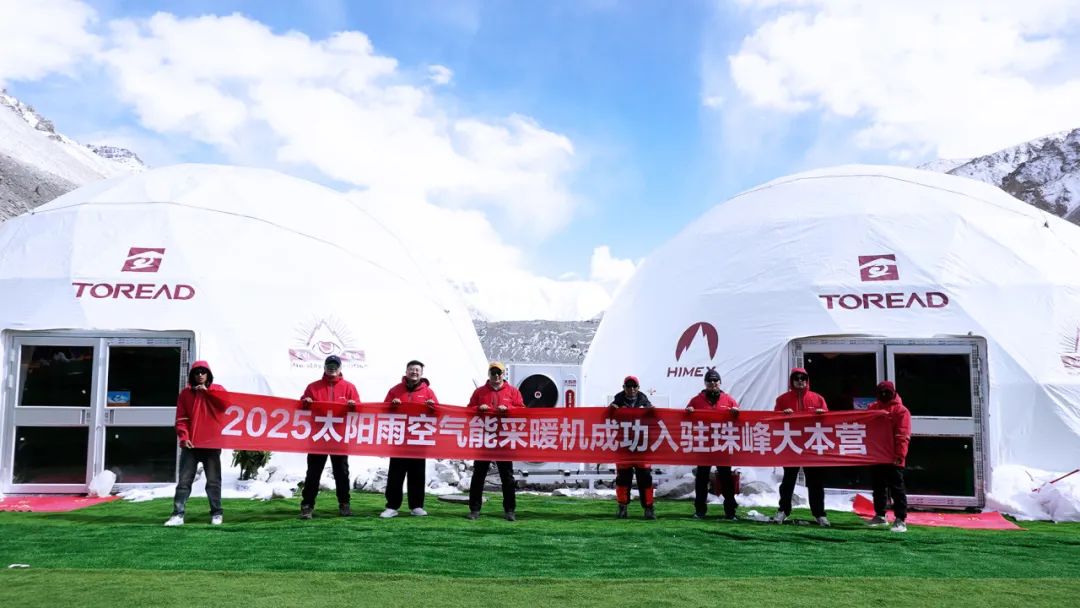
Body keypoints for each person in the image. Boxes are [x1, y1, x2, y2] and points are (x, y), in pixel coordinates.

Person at [165, 360, 228, 526]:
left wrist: (208, 393)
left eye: (203, 371)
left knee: (214, 481)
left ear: (208, 374)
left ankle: (216, 513)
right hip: (190, 446)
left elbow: (226, 407)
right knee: (184, 482)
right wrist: (184, 438)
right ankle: (178, 514)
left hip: (211, 444)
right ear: (192, 375)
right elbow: (181, 419)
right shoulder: (185, 394)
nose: (200, 374)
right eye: (197, 372)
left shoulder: (218, 390)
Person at [298, 355, 359, 520]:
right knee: (313, 473)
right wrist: (306, 400)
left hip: (339, 437)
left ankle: (344, 504)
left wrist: (354, 406)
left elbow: (358, 409)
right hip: (318, 437)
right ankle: (307, 506)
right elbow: (302, 405)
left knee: (342, 473)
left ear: (340, 369)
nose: (332, 368)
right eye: (329, 365)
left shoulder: (349, 387)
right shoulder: (313, 387)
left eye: (335, 366)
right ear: (324, 367)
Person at [380, 360, 439, 519]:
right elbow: (383, 410)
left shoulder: (428, 392)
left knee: (417, 474)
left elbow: (437, 413)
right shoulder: (395, 390)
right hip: (399, 439)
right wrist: (392, 405)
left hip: (419, 439)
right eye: (411, 369)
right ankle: (392, 506)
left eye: (417, 370)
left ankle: (417, 506)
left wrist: (432, 406)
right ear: (406, 371)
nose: (414, 372)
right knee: (395, 475)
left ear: (421, 373)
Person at [466, 361, 524, 521]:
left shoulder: (513, 392)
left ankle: (509, 510)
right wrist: (478, 409)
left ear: (504, 374)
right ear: (489, 374)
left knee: (507, 476)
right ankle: (474, 509)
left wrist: (509, 409)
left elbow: (523, 411)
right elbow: (468, 410)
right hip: (484, 439)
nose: (496, 376)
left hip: (505, 439)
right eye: (493, 372)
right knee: (478, 475)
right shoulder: (480, 392)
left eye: (499, 372)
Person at [773, 367, 831, 527]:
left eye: (803, 378)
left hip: (811, 445)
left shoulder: (818, 399)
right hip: (791, 444)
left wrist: (823, 415)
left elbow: (830, 421)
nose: (800, 380)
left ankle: (820, 513)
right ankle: (783, 510)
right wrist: (782, 414)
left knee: (815, 482)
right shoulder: (782, 399)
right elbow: (774, 419)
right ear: (791, 381)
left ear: (807, 380)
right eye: (796, 378)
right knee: (788, 481)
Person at [685, 369, 740, 519]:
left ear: (720, 382)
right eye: (710, 381)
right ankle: (700, 510)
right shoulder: (696, 400)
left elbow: (739, 420)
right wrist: (688, 412)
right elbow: (686, 419)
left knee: (726, 479)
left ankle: (730, 512)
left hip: (722, 445)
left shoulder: (728, 400)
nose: (713, 383)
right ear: (705, 383)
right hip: (704, 445)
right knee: (702, 479)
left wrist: (736, 413)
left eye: (715, 381)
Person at [609, 375, 657, 520]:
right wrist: (611, 410)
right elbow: (605, 420)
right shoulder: (616, 402)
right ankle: (622, 507)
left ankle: (649, 508)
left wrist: (653, 412)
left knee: (646, 480)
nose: (631, 389)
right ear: (623, 388)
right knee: (623, 480)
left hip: (642, 449)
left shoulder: (645, 403)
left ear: (638, 388)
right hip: (623, 448)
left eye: (634, 386)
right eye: (628, 386)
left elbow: (655, 421)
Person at [867, 380, 911, 533]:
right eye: (881, 392)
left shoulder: (901, 411)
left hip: (894, 456)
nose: (884, 395)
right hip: (877, 455)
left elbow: (902, 434)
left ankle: (900, 519)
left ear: (893, 393)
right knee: (878, 487)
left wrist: (900, 454)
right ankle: (880, 514)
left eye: (887, 392)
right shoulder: (872, 408)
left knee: (896, 488)